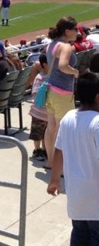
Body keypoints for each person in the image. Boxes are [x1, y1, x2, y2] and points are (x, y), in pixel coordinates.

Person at [47, 72, 99, 245]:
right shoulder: (97, 123)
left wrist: (54, 180)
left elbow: (59, 151)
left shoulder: (68, 117)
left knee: (79, 234)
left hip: (76, 198)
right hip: (96, 201)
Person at [43, 16, 79, 171]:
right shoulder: (65, 46)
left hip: (51, 90)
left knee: (51, 128)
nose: (78, 32)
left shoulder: (51, 45)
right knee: (63, 129)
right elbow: (64, 65)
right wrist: (75, 72)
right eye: (75, 29)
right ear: (67, 31)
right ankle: (60, 166)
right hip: (62, 92)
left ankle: (51, 161)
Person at [28, 54, 49, 161]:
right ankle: (37, 150)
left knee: (46, 133)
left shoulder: (53, 76)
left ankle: (46, 150)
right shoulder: (40, 77)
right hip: (38, 112)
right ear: (45, 65)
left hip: (48, 113)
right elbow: (35, 93)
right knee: (37, 133)